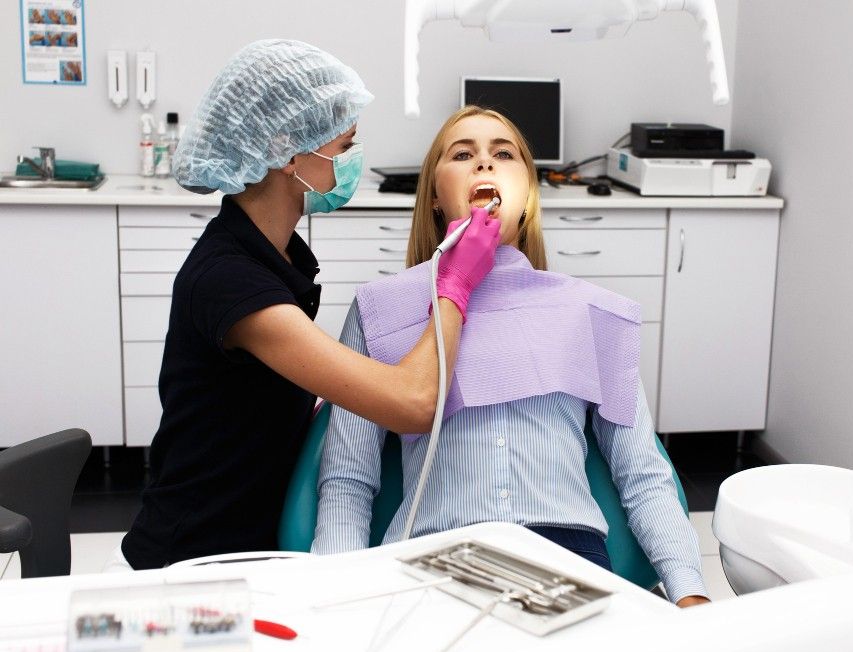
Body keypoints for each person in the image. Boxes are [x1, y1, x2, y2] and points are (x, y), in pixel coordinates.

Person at [114, 42, 499, 570]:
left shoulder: (275, 253)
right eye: (344, 146)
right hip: (195, 559)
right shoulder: (230, 279)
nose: (351, 162)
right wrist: (454, 282)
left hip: (257, 535)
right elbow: (413, 403)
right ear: (288, 154)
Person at [312, 106, 710, 607]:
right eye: (462, 154)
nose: (485, 164)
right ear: (435, 198)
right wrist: (333, 603)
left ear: (529, 198)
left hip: (568, 562)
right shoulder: (381, 309)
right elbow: (348, 480)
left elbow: (644, 476)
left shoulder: (589, 312)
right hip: (431, 561)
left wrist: (691, 594)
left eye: (504, 154)